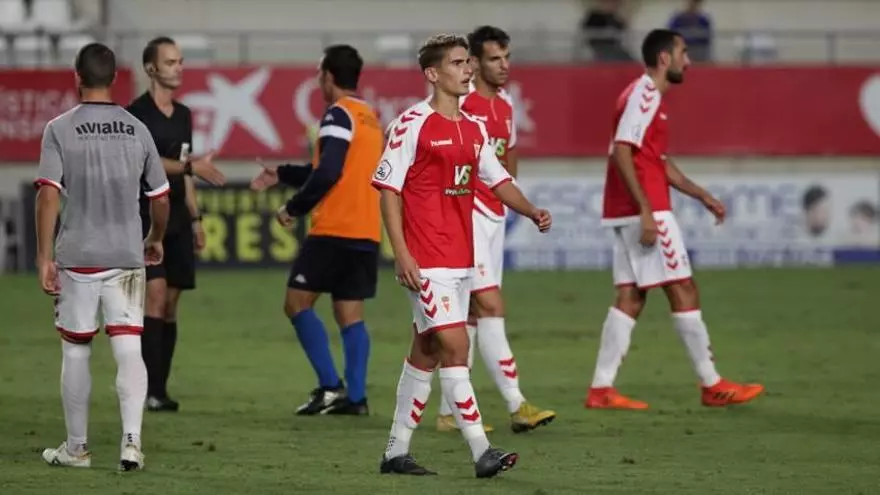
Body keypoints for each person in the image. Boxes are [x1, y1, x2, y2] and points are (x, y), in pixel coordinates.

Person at [373, 33, 552, 478]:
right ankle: (482, 452)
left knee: (425, 352)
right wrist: (402, 254)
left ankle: (395, 452)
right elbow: (388, 191)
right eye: (457, 63)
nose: (467, 69)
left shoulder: (474, 128)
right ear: (433, 74)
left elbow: (498, 179)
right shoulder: (411, 124)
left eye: (468, 62)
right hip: (425, 260)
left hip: (461, 258)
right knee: (456, 345)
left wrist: (531, 210)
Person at [585, 29, 764, 410]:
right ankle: (711, 384)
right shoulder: (646, 94)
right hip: (644, 209)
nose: (689, 60)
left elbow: (655, 161)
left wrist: (701, 195)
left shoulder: (642, 95)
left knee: (631, 297)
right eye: (684, 52)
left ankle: (601, 389)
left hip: (626, 209)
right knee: (683, 288)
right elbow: (621, 150)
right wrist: (646, 210)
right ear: (664, 58)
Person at [37, 42, 170, 470]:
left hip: (78, 256)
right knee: (129, 346)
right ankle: (131, 443)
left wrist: (44, 257)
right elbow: (160, 197)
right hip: (126, 256)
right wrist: (155, 237)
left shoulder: (59, 129)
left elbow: (47, 195)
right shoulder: (137, 129)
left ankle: (77, 449)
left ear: (77, 77)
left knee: (76, 351)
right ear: (115, 78)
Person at [433, 25, 555, 434]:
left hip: (493, 219)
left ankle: (449, 412)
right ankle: (517, 404)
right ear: (474, 62)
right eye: (494, 59)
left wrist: (513, 200)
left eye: (507, 57)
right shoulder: (459, 103)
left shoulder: (505, 104)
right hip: (465, 216)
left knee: (470, 314)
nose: (504, 66)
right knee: (490, 306)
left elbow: (508, 154)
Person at [250, 44, 383, 416]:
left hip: (334, 229)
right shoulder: (369, 117)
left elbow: (329, 172)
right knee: (350, 315)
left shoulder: (338, 114)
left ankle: (330, 387)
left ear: (328, 76)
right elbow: (333, 169)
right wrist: (282, 173)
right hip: (366, 231)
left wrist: (293, 207)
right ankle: (356, 399)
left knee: (296, 303)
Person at [126, 36, 225, 412]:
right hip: (147, 216)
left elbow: (187, 171)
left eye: (180, 61)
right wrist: (189, 166)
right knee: (154, 294)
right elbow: (144, 161)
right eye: (170, 62)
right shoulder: (136, 113)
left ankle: (160, 390)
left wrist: (196, 218)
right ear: (151, 68)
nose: (178, 67)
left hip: (179, 218)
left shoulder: (183, 114)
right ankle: (147, 390)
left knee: (170, 303)